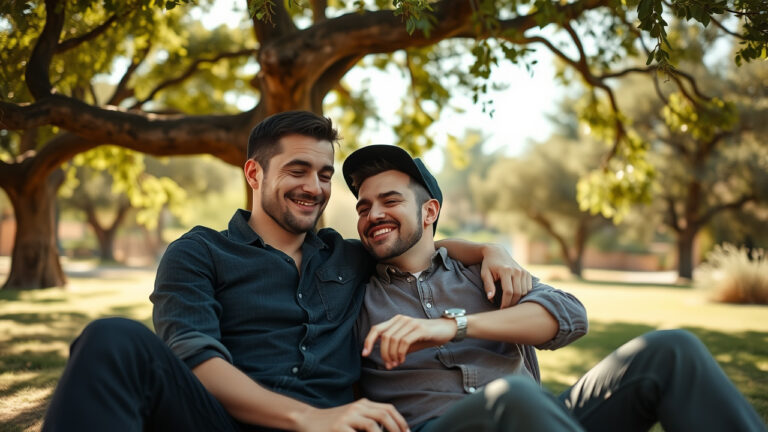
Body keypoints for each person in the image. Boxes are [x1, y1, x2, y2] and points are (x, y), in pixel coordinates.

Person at [42, 111, 529, 432]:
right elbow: (193, 355)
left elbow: (415, 239)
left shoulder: (349, 256)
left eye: (323, 175)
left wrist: (490, 248)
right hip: (225, 424)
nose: (314, 188)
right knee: (111, 339)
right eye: (297, 171)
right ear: (254, 174)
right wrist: (307, 418)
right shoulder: (198, 253)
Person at [343, 144, 767, 432]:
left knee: (673, 350)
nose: (373, 214)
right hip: (446, 425)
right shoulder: (351, 288)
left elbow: (569, 317)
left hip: (537, 418)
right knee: (512, 396)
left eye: (390, 200)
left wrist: (454, 325)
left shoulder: (482, 273)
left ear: (430, 210)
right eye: (364, 207)